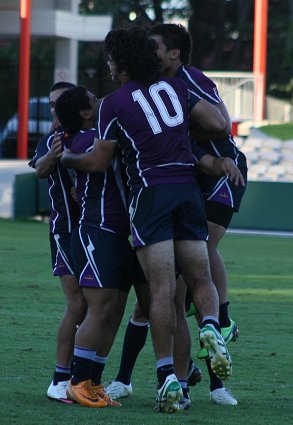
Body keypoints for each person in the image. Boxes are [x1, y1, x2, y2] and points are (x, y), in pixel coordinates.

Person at [60, 27, 233, 414]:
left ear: (120, 63)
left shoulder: (112, 103)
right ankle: (209, 322)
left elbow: (99, 160)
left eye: (109, 60)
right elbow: (217, 122)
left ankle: (167, 375)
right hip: (188, 192)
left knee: (158, 293)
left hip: (151, 196)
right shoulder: (177, 89)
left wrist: (66, 159)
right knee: (198, 279)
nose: (107, 66)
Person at [149, 23, 248, 405]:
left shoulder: (191, 80)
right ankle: (183, 376)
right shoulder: (154, 84)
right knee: (174, 293)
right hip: (189, 174)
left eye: (155, 47)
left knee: (201, 254)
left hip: (223, 169)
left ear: (173, 54)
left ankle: (222, 318)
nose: (150, 52)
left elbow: (220, 123)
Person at [54, 85, 148, 408]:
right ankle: (76, 382)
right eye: (94, 100)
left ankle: (93, 383)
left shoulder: (96, 134)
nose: (100, 101)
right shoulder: (85, 140)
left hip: (121, 235)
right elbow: (94, 160)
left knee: (113, 313)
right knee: (100, 309)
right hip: (97, 230)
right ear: (84, 113)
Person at [28, 81, 87, 403]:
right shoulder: (50, 141)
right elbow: (39, 170)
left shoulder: (95, 134)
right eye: (51, 104)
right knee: (78, 305)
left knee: (103, 306)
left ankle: (85, 378)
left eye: (59, 102)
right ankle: (60, 379)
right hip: (65, 229)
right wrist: (53, 156)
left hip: (98, 229)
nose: (54, 109)